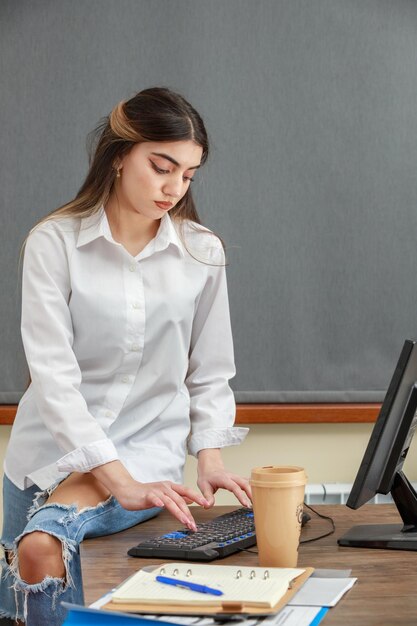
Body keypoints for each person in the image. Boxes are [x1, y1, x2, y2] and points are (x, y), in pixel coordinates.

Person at [0, 87, 251, 626]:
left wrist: (210, 459)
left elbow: (209, 372)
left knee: (47, 547)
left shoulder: (201, 251)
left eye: (188, 174)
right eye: (162, 167)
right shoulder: (55, 243)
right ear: (119, 155)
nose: (173, 187)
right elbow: (55, 382)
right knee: (25, 601)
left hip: (145, 457)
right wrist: (120, 481)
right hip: (41, 460)